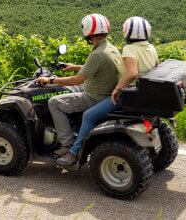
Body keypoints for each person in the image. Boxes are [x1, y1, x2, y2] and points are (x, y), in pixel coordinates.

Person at [54, 16, 159, 165]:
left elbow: (132, 72)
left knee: (89, 116)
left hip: (126, 94)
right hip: (141, 93)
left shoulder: (129, 49)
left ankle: (73, 152)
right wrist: (78, 67)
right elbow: (152, 67)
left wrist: (117, 88)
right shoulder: (150, 48)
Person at [36, 13, 124, 162]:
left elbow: (76, 80)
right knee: (70, 92)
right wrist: (74, 67)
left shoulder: (96, 54)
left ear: (88, 32)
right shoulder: (111, 48)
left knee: (54, 102)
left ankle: (67, 145)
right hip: (105, 92)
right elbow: (98, 68)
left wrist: (50, 80)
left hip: (93, 97)